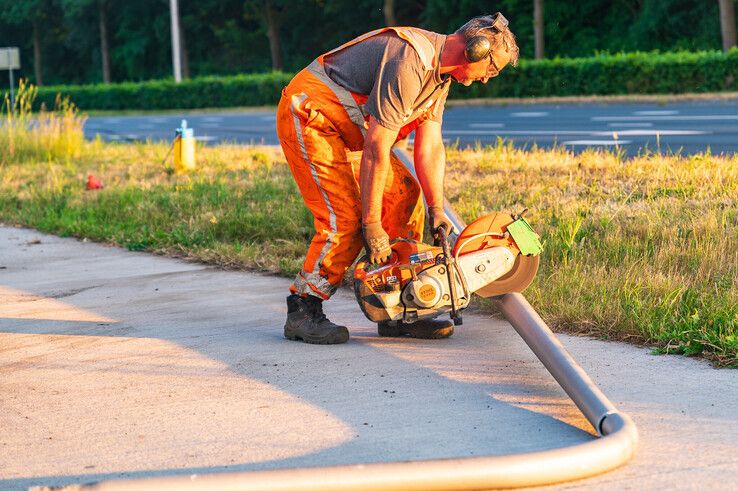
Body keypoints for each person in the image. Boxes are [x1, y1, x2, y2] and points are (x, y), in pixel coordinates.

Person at [276, 13, 519, 344]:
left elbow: (430, 148)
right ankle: (304, 307)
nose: (488, 79)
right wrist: (372, 225)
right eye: (491, 69)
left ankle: (397, 306)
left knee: (405, 196)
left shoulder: (439, 78)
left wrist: (436, 209)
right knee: (346, 219)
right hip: (312, 116)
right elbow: (376, 148)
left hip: (348, 128)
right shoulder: (411, 59)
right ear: (476, 49)